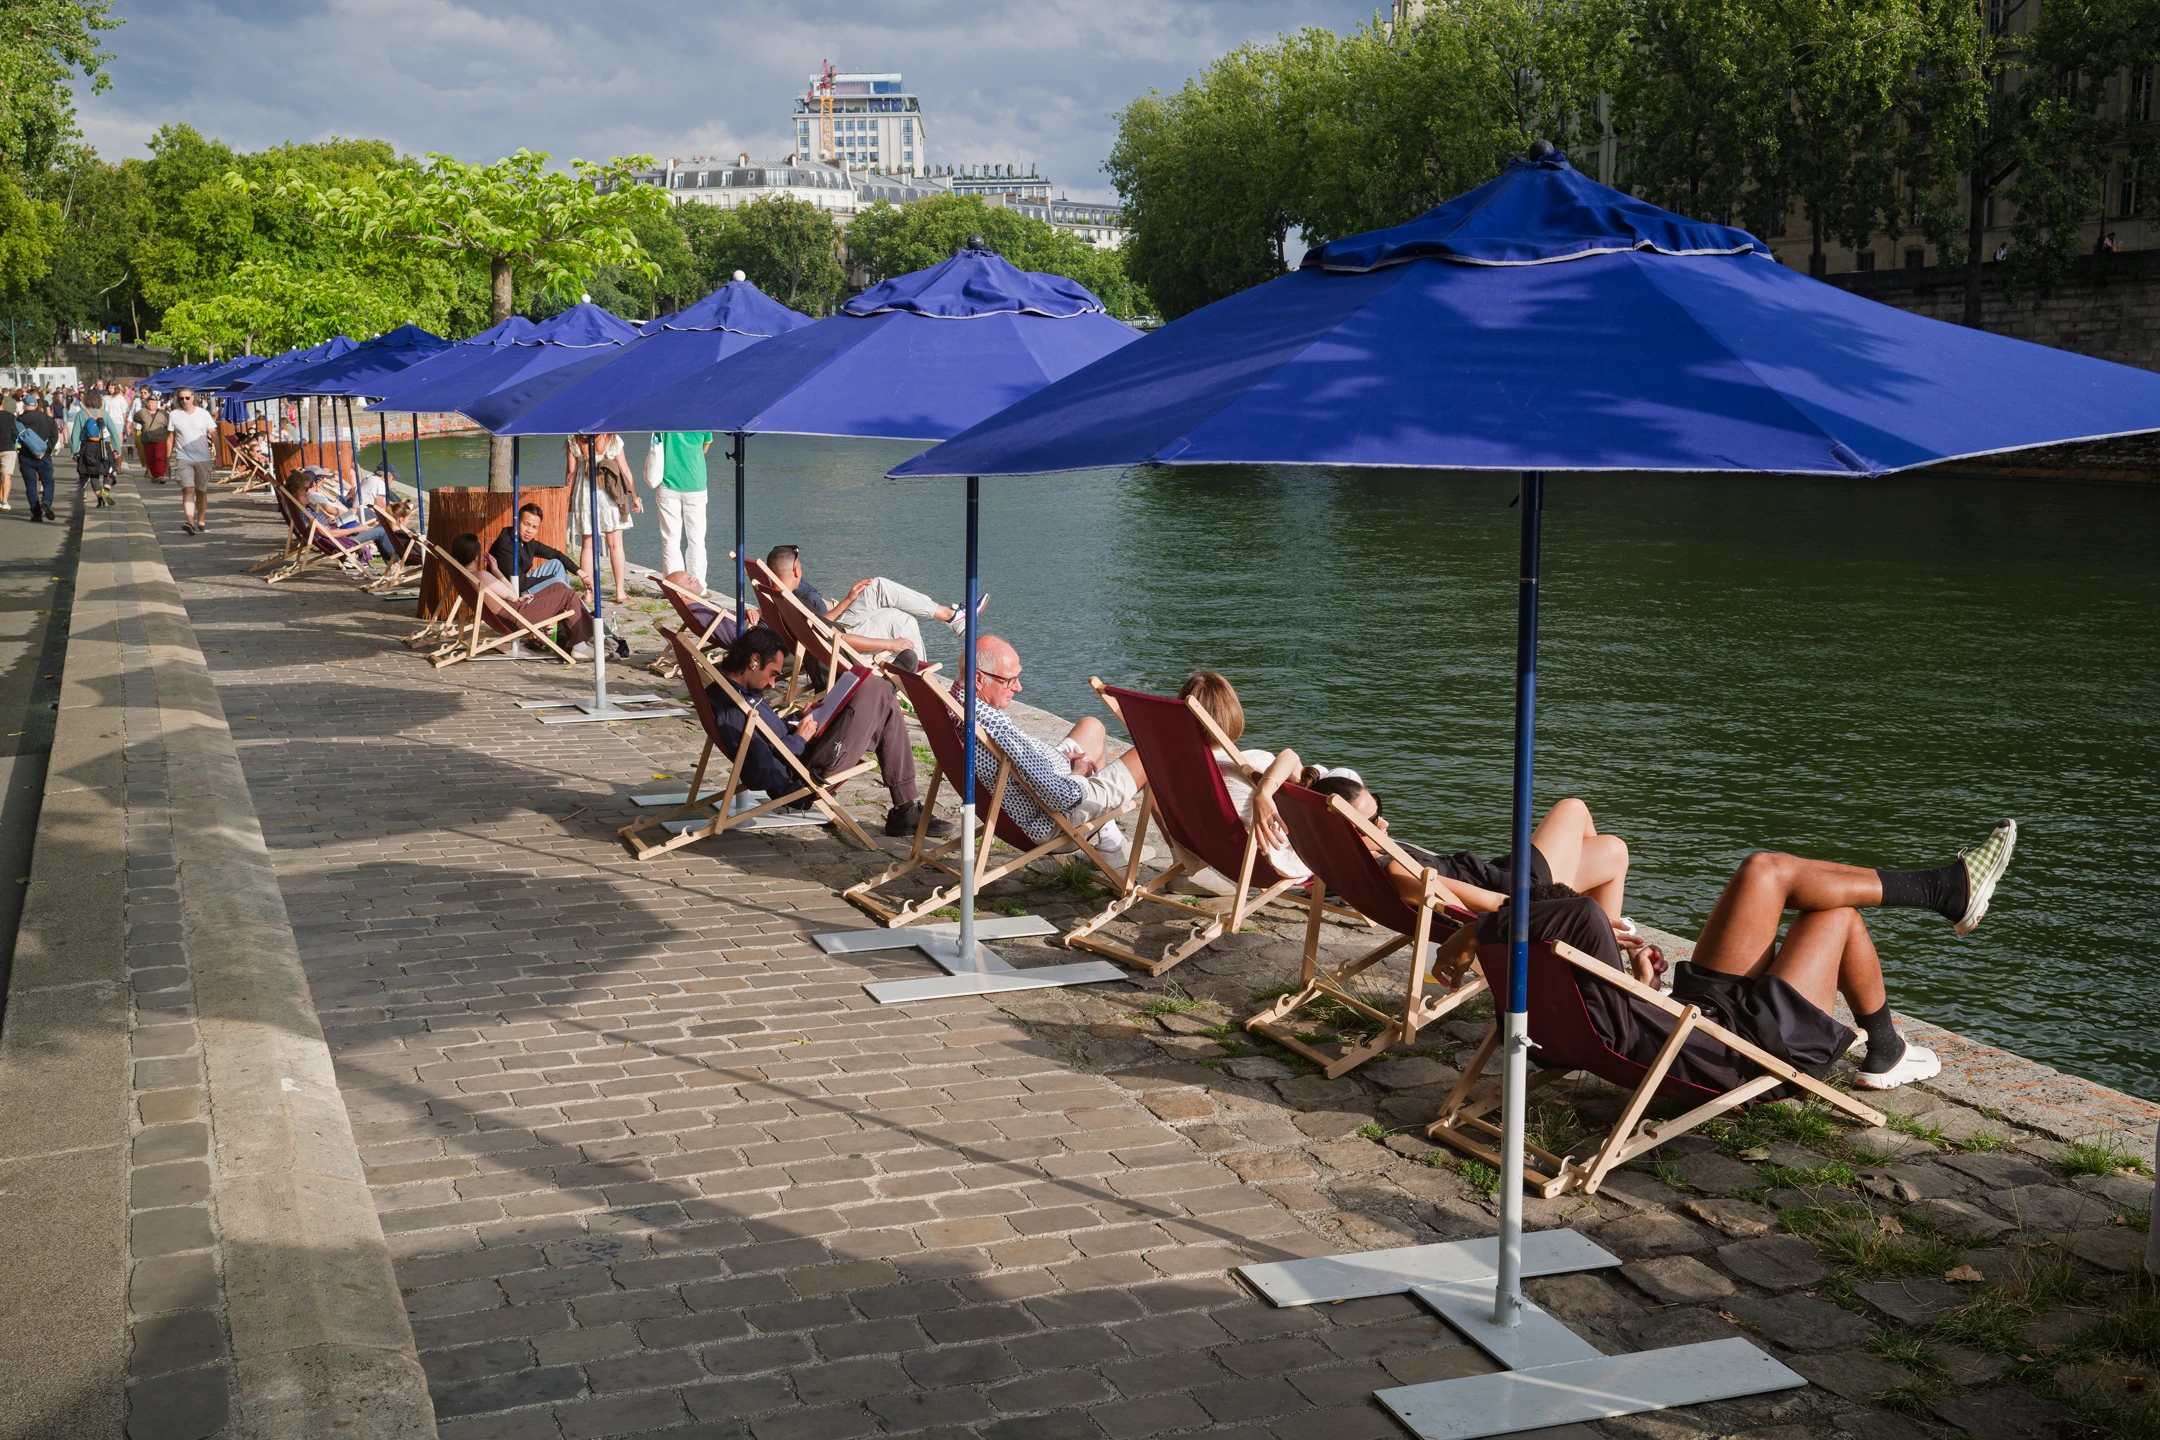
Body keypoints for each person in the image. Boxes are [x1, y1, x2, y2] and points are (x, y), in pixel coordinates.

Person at [1437, 821, 2018, 1093]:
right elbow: (1577, 917)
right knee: (1835, 917)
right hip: (1724, 1053)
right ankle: (1887, 1045)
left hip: (1684, 1023)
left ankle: (1944, 894)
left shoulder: (1559, 976)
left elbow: (1581, 972)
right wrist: (1472, 934)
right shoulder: (1574, 924)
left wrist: (1640, 984)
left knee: (1764, 869)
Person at [709, 624, 953, 838]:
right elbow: (761, 773)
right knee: (877, 689)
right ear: (753, 661)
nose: (773, 683)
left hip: (806, 753)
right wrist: (798, 739)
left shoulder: (731, 693)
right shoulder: (734, 707)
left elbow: (769, 736)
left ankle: (905, 807)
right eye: (772, 674)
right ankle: (905, 807)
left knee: (870, 694)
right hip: (804, 777)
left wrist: (799, 720)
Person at [1298, 770, 1631, 922]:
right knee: (1572, 808)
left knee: (1614, 851)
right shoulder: (1397, 869)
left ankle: (1599, 950)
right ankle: (1595, 941)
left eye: (1380, 810)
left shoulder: (1345, 860)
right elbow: (1496, 904)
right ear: (1347, 831)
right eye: (1371, 822)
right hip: (1522, 890)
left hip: (1498, 872)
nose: (1384, 824)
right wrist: (1565, 914)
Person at [968, 634, 1150, 868]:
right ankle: (1189, 869)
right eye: (1010, 680)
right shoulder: (997, 729)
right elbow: (1061, 798)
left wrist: (1058, 759)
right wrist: (1080, 771)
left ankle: (1110, 842)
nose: (1018, 687)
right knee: (1152, 754)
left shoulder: (954, 707)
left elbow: (1021, 764)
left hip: (1027, 795)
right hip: (1048, 822)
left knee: (1092, 726)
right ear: (978, 678)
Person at [1175, 670, 1312, 885]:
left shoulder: (1173, 765)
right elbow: (1292, 758)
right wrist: (1264, 791)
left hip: (1208, 852)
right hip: (1262, 863)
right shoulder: (1251, 764)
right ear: (1232, 713)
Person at [765, 543, 981, 659]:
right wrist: (890, 644)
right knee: (902, 620)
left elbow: (817, 625)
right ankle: (919, 688)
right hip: (840, 646)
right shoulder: (793, 603)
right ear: (795, 570)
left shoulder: (778, 597)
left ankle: (951, 617)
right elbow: (837, 638)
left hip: (830, 636)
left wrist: (848, 600)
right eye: (801, 566)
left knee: (878, 585)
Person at [446, 532, 598, 657]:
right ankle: (580, 646)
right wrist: (496, 570)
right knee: (568, 595)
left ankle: (576, 639)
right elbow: (512, 593)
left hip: (511, 612)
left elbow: (511, 597)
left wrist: (516, 598)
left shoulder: (464, 576)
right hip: (516, 617)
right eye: (479, 549)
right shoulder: (481, 575)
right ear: (475, 556)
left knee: (558, 586)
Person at [565, 432, 641, 606]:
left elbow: (571, 473)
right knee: (615, 544)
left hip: (584, 494)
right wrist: (634, 496)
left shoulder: (574, 440)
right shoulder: (612, 438)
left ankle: (588, 593)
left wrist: (568, 499)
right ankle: (620, 592)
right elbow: (625, 470)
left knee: (588, 545)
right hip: (609, 494)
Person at [644, 430, 712, 583]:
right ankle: (698, 585)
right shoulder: (704, 421)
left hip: (668, 484)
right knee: (696, 540)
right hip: (696, 484)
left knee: (670, 539)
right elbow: (704, 448)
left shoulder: (665, 419)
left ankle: (675, 585)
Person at [488, 504, 580, 593]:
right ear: (517, 522)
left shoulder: (528, 541)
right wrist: (552, 578)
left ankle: (567, 599)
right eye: (526, 524)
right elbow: (521, 584)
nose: (529, 530)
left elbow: (555, 554)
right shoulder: (505, 545)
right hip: (512, 592)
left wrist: (581, 573)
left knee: (556, 564)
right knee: (558, 582)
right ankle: (571, 601)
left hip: (522, 584)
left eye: (534, 527)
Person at [167, 388, 217, 534]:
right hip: (183, 457)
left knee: (201, 491)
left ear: (193, 398)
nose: (184, 401)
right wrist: (166, 461)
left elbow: (213, 434)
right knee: (188, 489)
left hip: (203, 458)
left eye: (187, 398)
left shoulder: (203, 414)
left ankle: (201, 520)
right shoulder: (174, 415)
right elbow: (170, 438)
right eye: (181, 398)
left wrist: (218, 455)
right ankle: (190, 523)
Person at [663, 570, 752, 647]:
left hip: (750, 622)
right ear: (680, 594)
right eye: (690, 581)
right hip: (757, 637)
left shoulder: (696, 609)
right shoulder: (705, 614)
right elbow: (738, 641)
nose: (696, 580)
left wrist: (748, 612)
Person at [15, 397, 59, 522]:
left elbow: (16, 439)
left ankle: (36, 513)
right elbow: (54, 436)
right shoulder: (48, 419)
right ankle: (46, 501)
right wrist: (45, 450)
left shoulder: (18, 420)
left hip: (25, 456)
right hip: (44, 456)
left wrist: (27, 450)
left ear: (24, 406)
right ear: (37, 405)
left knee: (30, 486)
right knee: (48, 481)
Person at [75, 404, 117, 506]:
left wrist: (73, 451)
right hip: (104, 445)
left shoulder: (81, 414)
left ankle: (100, 500)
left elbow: (75, 434)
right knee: (109, 470)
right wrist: (117, 448)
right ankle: (106, 490)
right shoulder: (104, 413)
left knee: (93, 472)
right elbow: (114, 431)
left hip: (87, 446)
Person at [137, 393, 170, 483]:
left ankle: (161, 475)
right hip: (147, 439)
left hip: (160, 439)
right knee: (150, 458)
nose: (150, 404)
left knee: (160, 457)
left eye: (152, 402)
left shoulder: (163, 414)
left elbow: (169, 425)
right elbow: (136, 419)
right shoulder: (142, 412)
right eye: (149, 402)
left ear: (156, 403)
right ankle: (155, 475)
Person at [0, 393, 16, 512]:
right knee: (7, 475)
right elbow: (15, 433)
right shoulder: (11, 416)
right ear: (3, 402)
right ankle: (4, 501)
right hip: (8, 448)